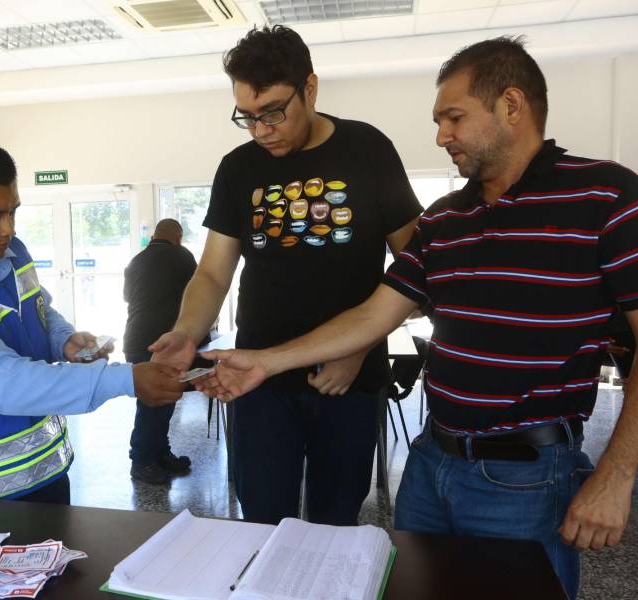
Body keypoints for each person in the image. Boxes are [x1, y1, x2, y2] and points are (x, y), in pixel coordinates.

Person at [197, 36, 638, 599]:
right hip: (430, 466)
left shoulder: (605, 196)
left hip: (527, 475)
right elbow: (374, 313)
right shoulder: (444, 220)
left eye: (453, 118)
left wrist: (616, 475)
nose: (440, 136)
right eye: (438, 120)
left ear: (510, 105)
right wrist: (260, 362)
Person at [150, 25, 421, 526]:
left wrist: (357, 347)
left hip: (347, 380)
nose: (261, 130)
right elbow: (212, 273)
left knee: (334, 519)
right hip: (257, 380)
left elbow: (416, 271)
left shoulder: (368, 149)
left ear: (310, 89)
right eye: (247, 117)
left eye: (274, 111)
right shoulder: (238, 168)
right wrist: (186, 333)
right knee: (260, 518)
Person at [0, 138, 185, 513]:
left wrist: (63, 340)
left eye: (13, 212)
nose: (8, 228)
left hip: (46, 473)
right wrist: (126, 380)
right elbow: (2, 382)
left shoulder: (11, 254)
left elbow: (38, 309)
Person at [123, 219, 199, 484]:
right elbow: (199, 296)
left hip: (135, 340)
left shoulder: (136, 260)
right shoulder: (182, 256)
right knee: (153, 403)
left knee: (160, 402)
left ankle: (159, 453)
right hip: (162, 342)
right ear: (177, 236)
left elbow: (128, 297)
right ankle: (141, 460)